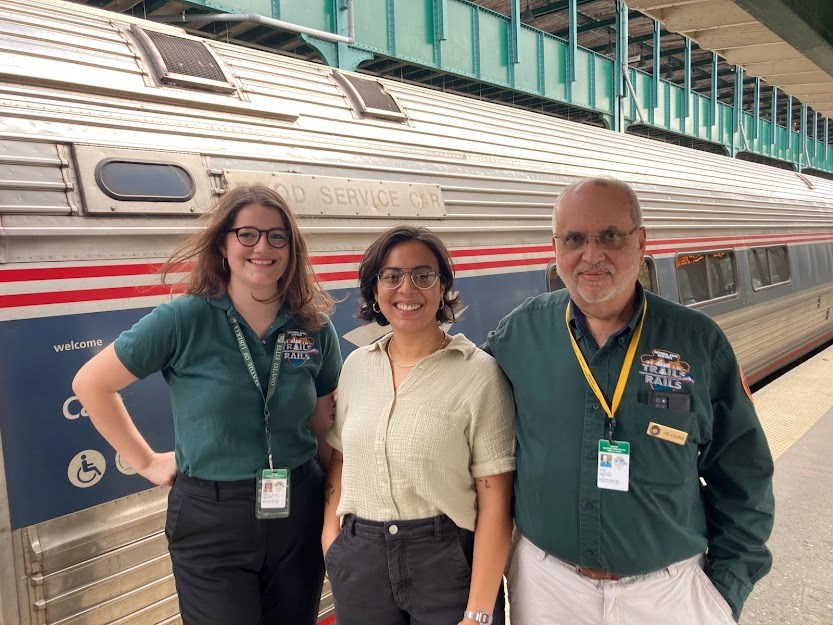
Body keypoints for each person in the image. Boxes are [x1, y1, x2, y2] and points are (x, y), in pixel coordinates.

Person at [484, 177, 774, 625]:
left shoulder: (698, 342)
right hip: (547, 589)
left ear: (641, 242)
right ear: (556, 247)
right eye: (575, 239)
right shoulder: (518, 334)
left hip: (669, 592)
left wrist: (724, 592)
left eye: (610, 236)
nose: (591, 255)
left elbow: (743, 476)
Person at [72, 184, 342, 625]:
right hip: (212, 519)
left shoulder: (313, 327)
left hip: (300, 507)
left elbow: (323, 426)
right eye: (248, 234)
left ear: (292, 248)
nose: (263, 247)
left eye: (278, 236)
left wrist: (335, 508)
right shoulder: (184, 320)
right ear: (223, 244)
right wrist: (146, 461)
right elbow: (91, 384)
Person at [323, 225, 515, 625]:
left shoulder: (478, 374)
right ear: (375, 290)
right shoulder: (356, 367)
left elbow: (496, 501)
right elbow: (340, 460)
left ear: (442, 286)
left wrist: (479, 611)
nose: (406, 289)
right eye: (392, 276)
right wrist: (332, 541)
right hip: (361, 560)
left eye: (423, 275)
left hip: (446, 561)